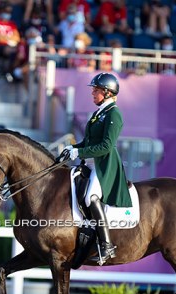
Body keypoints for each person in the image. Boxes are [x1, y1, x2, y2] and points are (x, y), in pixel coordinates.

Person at [62, 73, 132, 264]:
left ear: (108, 92)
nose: (92, 93)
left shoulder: (113, 114)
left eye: (96, 90)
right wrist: (73, 149)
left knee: (90, 196)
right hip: (90, 163)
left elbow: (106, 146)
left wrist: (79, 153)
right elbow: (88, 142)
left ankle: (106, 245)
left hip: (104, 166)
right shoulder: (98, 113)